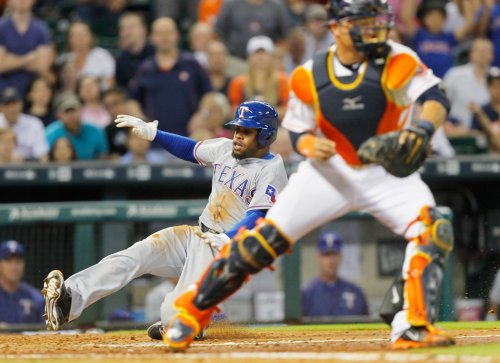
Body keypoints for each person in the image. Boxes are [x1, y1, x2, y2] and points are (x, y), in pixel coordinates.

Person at [161, 0, 455, 352]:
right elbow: (299, 133)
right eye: (362, 22)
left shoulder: (398, 56)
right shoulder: (309, 74)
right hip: (328, 173)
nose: (373, 30)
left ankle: (415, 326)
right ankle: (191, 312)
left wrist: (422, 129)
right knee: (260, 242)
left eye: (376, 21)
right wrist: (311, 145)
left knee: (433, 228)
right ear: (338, 27)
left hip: (385, 172)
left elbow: (435, 96)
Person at [41, 101, 288, 341]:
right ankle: (69, 300)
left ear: (265, 136)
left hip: (228, 251)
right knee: (135, 255)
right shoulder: (224, 149)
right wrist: (154, 134)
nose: (237, 135)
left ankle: (193, 319)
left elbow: (259, 216)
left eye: (246, 131)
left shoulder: (272, 170)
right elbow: (190, 149)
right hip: (199, 236)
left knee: (170, 315)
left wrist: (227, 238)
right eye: (236, 129)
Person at [127, 17, 212, 137]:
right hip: (156, 141)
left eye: (168, 33)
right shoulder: (145, 68)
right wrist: (140, 120)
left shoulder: (191, 63)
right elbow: (132, 99)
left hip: (188, 140)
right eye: (160, 33)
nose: (164, 37)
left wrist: (202, 114)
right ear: (152, 38)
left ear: (177, 35)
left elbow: (208, 93)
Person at [301, 231, 368, 318]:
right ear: (318, 257)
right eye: (326, 254)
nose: (331, 260)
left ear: (340, 256)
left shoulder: (355, 291)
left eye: (334, 254)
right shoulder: (307, 293)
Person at [227, 36, 289, 120]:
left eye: (264, 53)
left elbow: (287, 108)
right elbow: (233, 110)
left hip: (276, 126)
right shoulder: (238, 82)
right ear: (249, 57)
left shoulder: (282, 80)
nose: (261, 57)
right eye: (256, 53)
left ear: (271, 56)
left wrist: (264, 114)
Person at [0, 0, 53, 96]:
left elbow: (42, 66)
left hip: (33, 95)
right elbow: (1, 65)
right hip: (4, 94)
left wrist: (11, 60)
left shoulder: (41, 29)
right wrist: (29, 58)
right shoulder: (2, 27)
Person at [443, 38, 493, 135]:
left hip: (490, 135)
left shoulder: (496, 77)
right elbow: (442, 103)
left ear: (492, 55)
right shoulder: (454, 75)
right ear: (471, 54)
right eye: (480, 51)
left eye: (487, 51)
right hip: (457, 133)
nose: (483, 55)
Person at [214, 0, 291, 59]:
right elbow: (217, 34)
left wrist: (277, 56)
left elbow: (285, 38)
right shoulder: (230, 4)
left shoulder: (276, 6)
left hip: (267, 61)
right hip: (235, 59)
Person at [45, 92, 109, 160]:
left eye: (74, 111)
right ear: (59, 115)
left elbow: (103, 156)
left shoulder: (96, 131)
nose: (71, 116)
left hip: (91, 169)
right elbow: (46, 159)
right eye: (67, 112)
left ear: (81, 111)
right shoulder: (50, 133)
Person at [0, 240, 44, 324]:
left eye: (18, 261)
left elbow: (45, 332)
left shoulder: (35, 298)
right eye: (8, 261)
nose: (14, 266)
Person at [0, 87, 48, 161]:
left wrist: (25, 160)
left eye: (15, 104)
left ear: (21, 105)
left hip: (28, 168)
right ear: (1, 107)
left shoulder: (34, 124)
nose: (12, 108)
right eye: (7, 105)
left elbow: (42, 156)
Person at [115, 12, 155, 89]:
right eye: (123, 28)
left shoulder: (156, 54)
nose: (127, 32)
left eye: (131, 27)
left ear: (144, 29)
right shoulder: (121, 60)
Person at [469, 66, 500, 153]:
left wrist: (481, 115)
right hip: (486, 156)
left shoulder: (480, 112)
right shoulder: (482, 109)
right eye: (494, 86)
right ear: (488, 87)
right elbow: (474, 134)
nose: (498, 90)